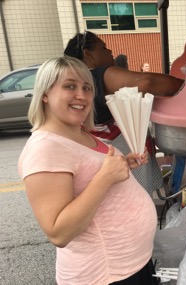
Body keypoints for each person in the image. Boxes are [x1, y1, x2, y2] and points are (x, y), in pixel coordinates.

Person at [18, 56, 160, 285]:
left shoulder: (79, 132)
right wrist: (105, 178)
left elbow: (90, 173)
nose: (81, 95)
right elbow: (59, 233)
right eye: (69, 86)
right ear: (45, 94)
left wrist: (123, 164)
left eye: (87, 88)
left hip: (132, 265)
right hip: (105, 276)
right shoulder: (44, 148)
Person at [64, 31, 184, 196]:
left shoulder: (76, 81)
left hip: (105, 161)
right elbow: (145, 82)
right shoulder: (98, 75)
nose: (110, 51)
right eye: (103, 48)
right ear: (88, 54)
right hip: (123, 156)